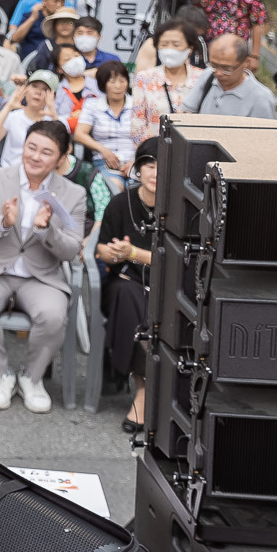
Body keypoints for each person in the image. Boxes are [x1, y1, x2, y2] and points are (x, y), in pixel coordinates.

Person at [0, 118, 86, 413]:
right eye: (31, 147)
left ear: (61, 159)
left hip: (40, 276)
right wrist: (2, 223)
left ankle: (32, 377)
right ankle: (0, 376)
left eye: (46, 152)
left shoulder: (72, 193)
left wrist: (47, 231)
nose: (35, 156)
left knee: (54, 315)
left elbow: (70, 249)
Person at [98, 140, 160, 435]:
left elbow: (179, 258)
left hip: (167, 286)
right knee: (128, 295)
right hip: (126, 282)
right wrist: (110, 252)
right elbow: (101, 245)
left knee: (152, 305)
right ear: (138, 168)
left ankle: (146, 394)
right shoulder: (122, 203)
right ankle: (143, 389)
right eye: (149, 165)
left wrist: (134, 253)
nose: (155, 173)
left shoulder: (184, 207)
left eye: (163, 167)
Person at [75, 64, 150, 191]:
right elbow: (79, 134)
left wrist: (136, 161)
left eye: (122, 81)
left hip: (136, 161)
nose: (118, 86)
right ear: (103, 84)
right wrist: (103, 150)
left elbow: (148, 136)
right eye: (112, 81)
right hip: (105, 163)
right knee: (114, 186)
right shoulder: (92, 105)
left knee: (139, 189)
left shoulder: (138, 104)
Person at [134, 20, 211, 117]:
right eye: (164, 45)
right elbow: (137, 121)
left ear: (190, 48)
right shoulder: (144, 78)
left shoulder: (203, 78)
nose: (169, 50)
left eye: (176, 44)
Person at [198, 34, 277, 118]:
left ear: (246, 62)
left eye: (226, 68)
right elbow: (188, 110)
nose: (218, 73)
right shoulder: (208, 75)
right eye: (214, 65)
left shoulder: (261, 98)